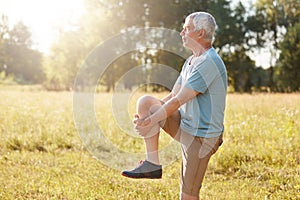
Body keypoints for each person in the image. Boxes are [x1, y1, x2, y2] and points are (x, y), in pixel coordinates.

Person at [121, 11, 227, 200]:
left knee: (187, 196)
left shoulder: (209, 62)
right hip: (187, 127)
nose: (181, 32)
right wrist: (148, 119)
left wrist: (151, 120)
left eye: (186, 28)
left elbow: (179, 101)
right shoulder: (191, 61)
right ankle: (152, 164)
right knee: (146, 103)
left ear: (200, 33)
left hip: (202, 138)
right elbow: (172, 95)